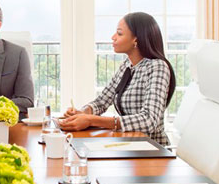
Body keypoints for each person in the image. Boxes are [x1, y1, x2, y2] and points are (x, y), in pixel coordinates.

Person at [60, 12, 175, 145]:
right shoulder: (126, 66)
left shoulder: (157, 67)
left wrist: (91, 120)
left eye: (119, 34)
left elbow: (149, 120)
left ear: (136, 40)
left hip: (152, 149)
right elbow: (101, 102)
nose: (113, 37)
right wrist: (82, 112)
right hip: (130, 144)